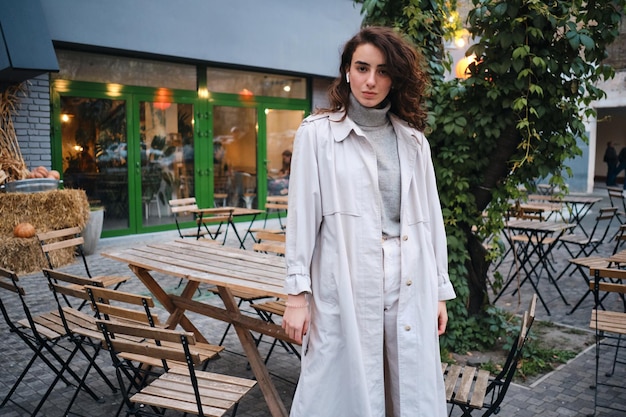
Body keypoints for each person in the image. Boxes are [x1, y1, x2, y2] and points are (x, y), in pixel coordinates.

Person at [281, 26, 456, 417]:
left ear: (395, 78)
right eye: (362, 68)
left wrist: (440, 291)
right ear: (347, 71)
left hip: (409, 277)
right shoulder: (317, 135)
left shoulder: (413, 141)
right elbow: (301, 219)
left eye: (382, 71)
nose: (371, 81)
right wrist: (296, 295)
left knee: (406, 387)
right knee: (342, 388)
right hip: (346, 276)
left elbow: (430, 219)